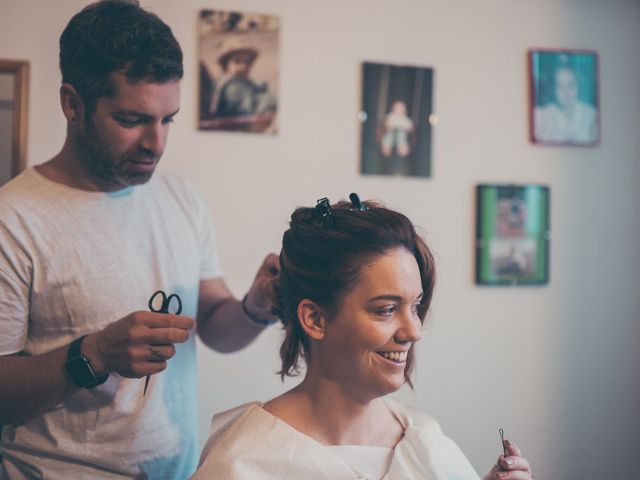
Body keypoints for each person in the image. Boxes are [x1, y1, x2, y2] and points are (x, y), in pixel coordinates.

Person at [0, 1, 277, 478]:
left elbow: (211, 321)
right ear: (72, 103)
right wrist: (94, 354)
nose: (157, 143)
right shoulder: (14, 218)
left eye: (168, 119)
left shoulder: (180, 196)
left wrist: (256, 307)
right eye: (132, 120)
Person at [192, 196, 534, 479]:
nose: (413, 331)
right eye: (386, 309)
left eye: (415, 306)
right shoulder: (245, 463)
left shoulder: (426, 443)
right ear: (315, 318)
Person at [207, 37, 277, 128]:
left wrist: (259, 88)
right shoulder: (231, 87)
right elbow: (249, 105)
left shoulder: (239, 81)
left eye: (247, 62)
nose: (243, 66)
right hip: (234, 122)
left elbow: (247, 92)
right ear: (226, 65)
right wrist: (270, 99)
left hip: (242, 113)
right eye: (237, 61)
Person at [533, 64, 598, 144]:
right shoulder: (542, 115)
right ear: (553, 88)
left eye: (571, 85)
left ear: (578, 86)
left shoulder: (591, 114)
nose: (566, 92)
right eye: (560, 86)